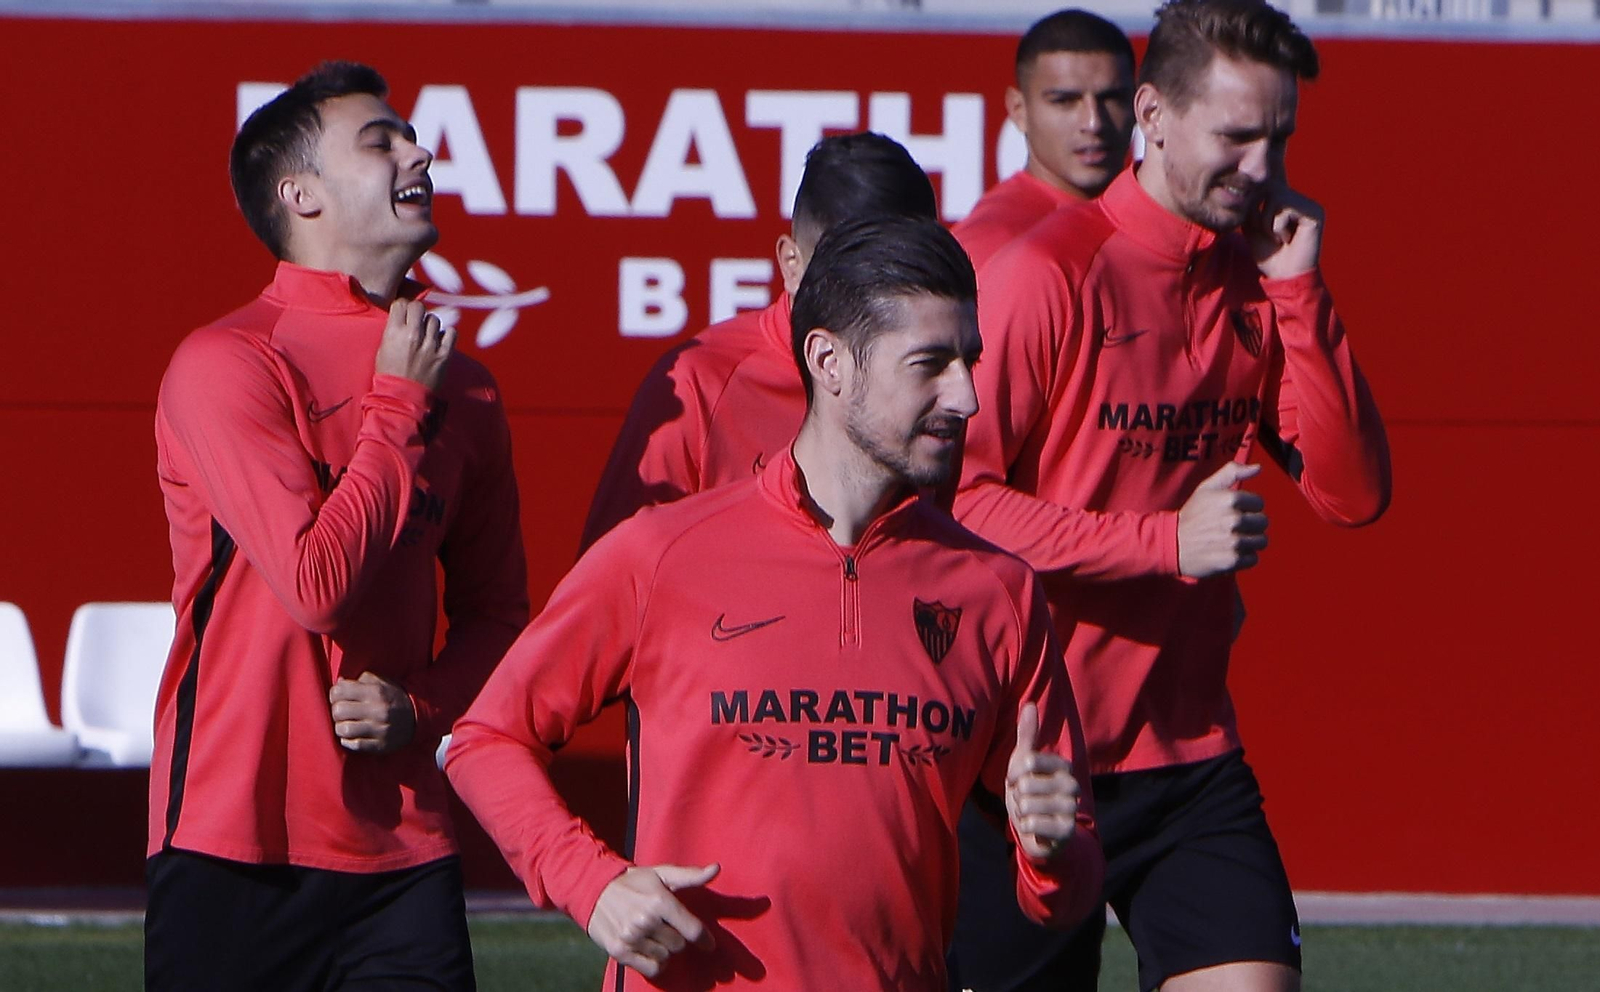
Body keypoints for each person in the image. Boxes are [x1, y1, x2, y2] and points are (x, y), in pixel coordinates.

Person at [447, 216, 1104, 990]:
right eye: (930, 363)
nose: (965, 396)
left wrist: (1053, 848)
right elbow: (484, 741)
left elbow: (1064, 889)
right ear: (828, 360)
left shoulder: (998, 590)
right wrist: (591, 884)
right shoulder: (661, 553)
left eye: (970, 361)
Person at [955, 0, 1392, 989]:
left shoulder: (1260, 277)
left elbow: (1353, 494)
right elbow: (954, 504)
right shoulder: (1043, 274)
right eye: (1235, 135)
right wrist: (1160, 542)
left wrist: (1300, 293)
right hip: (1023, 768)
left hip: (1188, 757)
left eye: (1276, 136)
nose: (1259, 164)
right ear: (1152, 115)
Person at [146, 61, 528, 991]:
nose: (419, 151)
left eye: (409, 136)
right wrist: (396, 405)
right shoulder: (228, 362)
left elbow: (500, 621)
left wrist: (423, 706)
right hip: (233, 847)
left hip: (404, 859)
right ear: (299, 193)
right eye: (381, 140)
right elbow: (317, 586)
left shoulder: (467, 391)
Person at [579, 131, 937, 549]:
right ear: (791, 264)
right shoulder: (704, 386)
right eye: (852, 277)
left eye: (907, 277)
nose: (879, 302)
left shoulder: (940, 385)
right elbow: (614, 585)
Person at [953, 9, 1136, 271]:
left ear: (1140, 105)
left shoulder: (1172, 225)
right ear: (1019, 110)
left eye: (1112, 98)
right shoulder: (987, 248)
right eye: (1064, 101)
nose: (1093, 122)